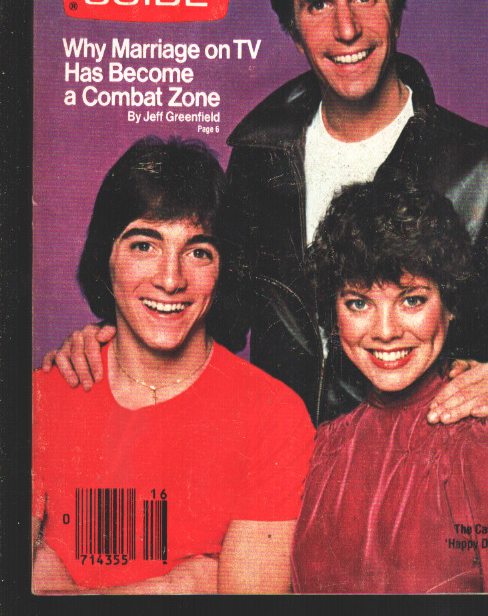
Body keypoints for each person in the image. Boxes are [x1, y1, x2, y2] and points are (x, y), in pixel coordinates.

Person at [44, 0, 488, 426]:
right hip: (281, 458)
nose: (346, 28)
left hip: (416, 462)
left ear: (395, 6)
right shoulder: (260, 158)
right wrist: (108, 343)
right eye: (318, 4)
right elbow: (208, 316)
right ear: (294, 28)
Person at [33, 137, 315, 595]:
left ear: (223, 269)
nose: (170, 279)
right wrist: (177, 587)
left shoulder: (273, 417)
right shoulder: (43, 395)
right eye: (144, 246)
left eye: (198, 251)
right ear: (106, 257)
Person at [290, 177, 488, 593]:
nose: (385, 331)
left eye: (412, 300)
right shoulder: (323, 448)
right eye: (358, 303)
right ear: (334, 314)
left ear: (450, 304)